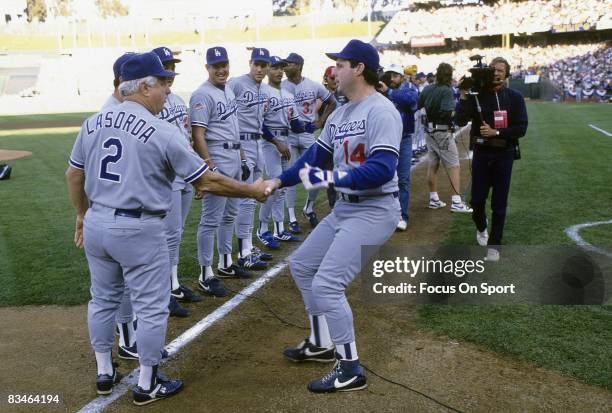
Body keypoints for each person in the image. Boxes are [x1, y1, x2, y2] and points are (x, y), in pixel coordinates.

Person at [66, 52, 270, 404]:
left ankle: (103, 372)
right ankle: (147, 384)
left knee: (102, 300)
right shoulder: (160, 130)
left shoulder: (92, 122)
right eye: (162, 83)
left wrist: (82, 215)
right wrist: (251, 190)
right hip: (138, 228)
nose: (166, 90)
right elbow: (206, 182)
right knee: (151, 307)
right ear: (145, 87)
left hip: (98, 222)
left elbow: (73, 174)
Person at [266, 39, 401, 393]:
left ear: (359, 68)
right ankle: (321, 341)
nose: (333, 71)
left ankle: (351, 368)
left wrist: (330, 177)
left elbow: (382, 169)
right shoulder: (340, 114)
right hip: (345, 207)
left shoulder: (381, 110)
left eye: (340, 64)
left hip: (375, 208)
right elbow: (314, 160)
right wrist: (278, 180)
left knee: (327, 284)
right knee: (302, 265)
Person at [190, 46, 255, 297]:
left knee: (230, 214)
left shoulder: (228, 89)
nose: (221, 70)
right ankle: (205, 273)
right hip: (216, 155)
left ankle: (226, 263)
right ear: (207, 68)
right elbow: (198, 134)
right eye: (216, 66)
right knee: (210, 219)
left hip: (234, 155)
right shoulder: (201, 94)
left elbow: (234, 129)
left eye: (224, 64)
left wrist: (243, 159)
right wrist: (208, 164)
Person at [455, 56, 528, 261]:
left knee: (499, 202)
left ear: (507, 74)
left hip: (504, 154)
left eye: (501, 71)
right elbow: (459, 120)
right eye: (493, 70)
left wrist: (496, 133)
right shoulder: (477, 96)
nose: (496, 73)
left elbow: (521, 128)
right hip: (481, 154)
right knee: (476, 200)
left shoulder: (514, 97)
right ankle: (481, 225)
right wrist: (463, 95)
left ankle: (494, 245)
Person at [152, 46, 202, 319]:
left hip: (183, 173)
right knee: (168, 234)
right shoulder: (152, 102)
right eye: (165, 65)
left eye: (171, 65)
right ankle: (165, 291)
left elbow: (186, 137)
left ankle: (173, 283)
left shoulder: (175, 100)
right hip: (166, 175)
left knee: (177, 232)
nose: (170, 70)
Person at [227, 47, 276, 269]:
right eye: (256, 63)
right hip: (243, 144)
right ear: (250, 63)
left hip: (258, 143)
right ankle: (243, 251)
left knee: (255, 196)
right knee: (246, 199)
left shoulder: (263, 90)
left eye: (263, 64)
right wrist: (239, 151)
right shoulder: (236, 83)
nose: (259, 68)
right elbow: (226, 115)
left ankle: (247, 245)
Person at [282, 52, 337, 231]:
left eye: (288, 64)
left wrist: (320, 121)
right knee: (290, 174)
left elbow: (332, 102)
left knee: (317, 172)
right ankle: (291, 217)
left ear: (298, 65)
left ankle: (308, 207)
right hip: (288, 133)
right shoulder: (280, 86)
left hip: (307, 132)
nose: (285, 67)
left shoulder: (312, 85)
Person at [257, 55, 304, 245]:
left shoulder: (288, 95)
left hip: (286, 140)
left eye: (281, 68)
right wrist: (277, 143)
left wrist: (318, 122)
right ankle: (263, 228)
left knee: (282, 187)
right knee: (274, 186)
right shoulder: (263, 92)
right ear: (267, 70)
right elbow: (260, 124)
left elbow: (295, 123)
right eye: (274, 67)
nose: (278, 71)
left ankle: (279, 228)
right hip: (270, 143)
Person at [419, 62, 472, 213]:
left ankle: (433, 198)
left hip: (429, 132)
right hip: (441, 131)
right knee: (454, 165)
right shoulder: (447, 91)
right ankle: (456, 201)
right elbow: (448, 112)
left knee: (433, 164)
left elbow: (419, 104)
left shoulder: (428, 88)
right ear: (449, 75)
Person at [378, 63, 418, 231]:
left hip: (403, 139)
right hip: (385, 138)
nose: (392, 78)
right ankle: (384, 215)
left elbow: (411, 100)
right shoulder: (381, 89)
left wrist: (389, 92)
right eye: (390, 75)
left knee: (402, 178)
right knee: (383, 177)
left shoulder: (410, 88)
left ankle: (402, 215)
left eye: (395, 75)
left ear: (402, 76)